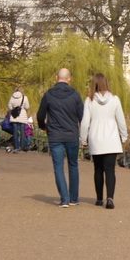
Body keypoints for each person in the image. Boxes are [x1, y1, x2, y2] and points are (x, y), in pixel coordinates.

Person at [80, 73, 127, 210]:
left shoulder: (89, 101)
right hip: (111, 139)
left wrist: (83, 138)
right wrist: (124, 136)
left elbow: (84, 123)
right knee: (110, 170)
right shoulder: (115, 99)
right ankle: (110, 198)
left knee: (98, 169)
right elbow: (121, 119)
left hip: (96, 138)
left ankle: (99, 198)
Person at [37, 68, 83, 208]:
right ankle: (74, 198)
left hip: (55, 135)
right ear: (69, 79)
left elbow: (40, 115)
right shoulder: (75, 95)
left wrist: (43, 127)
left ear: (57, 77)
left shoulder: (48, 95)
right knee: (73, 165)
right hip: (71, 135)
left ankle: (64, 199)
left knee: (58, 167)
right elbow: (82, 116)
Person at [7, 87, 30, 153]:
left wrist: (14, 109)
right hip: (22, 116)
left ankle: (16, 147)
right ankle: (22, 147)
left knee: (15, 133)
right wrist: (22, 108)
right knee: (22, 132)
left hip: (14, 116)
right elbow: (27, 107)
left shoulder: (12, 97)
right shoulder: (24, 97)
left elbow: (9, 106)